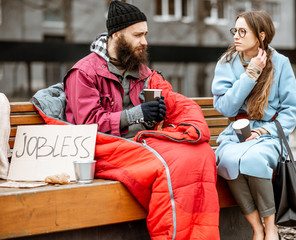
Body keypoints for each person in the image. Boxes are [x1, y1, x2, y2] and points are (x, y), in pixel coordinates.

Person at [41, 1, 219, 239]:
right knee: (169, 164)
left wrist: (174, 116)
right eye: (138, 35)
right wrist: (137, 114)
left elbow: (173, 99)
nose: (144, 41)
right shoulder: (83, 72)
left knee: (201, 153)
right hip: (102, 149)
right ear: (116, 35)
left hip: (137, 144)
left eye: (145, 34)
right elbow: (86, 126)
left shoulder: (142, 72)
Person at [211, 11, 296, 240]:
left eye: (243, 32)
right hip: (236, 133)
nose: (236, 37)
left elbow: (292, 110)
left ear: (261, 35)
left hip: (269, 134)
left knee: (254, 159)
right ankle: (257, 228)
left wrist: (263, 130)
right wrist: (250, 74)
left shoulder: (281, 63)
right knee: (228, 161)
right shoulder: (227, 62)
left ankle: (271, 227)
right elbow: (225, 107)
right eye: (235, 31)